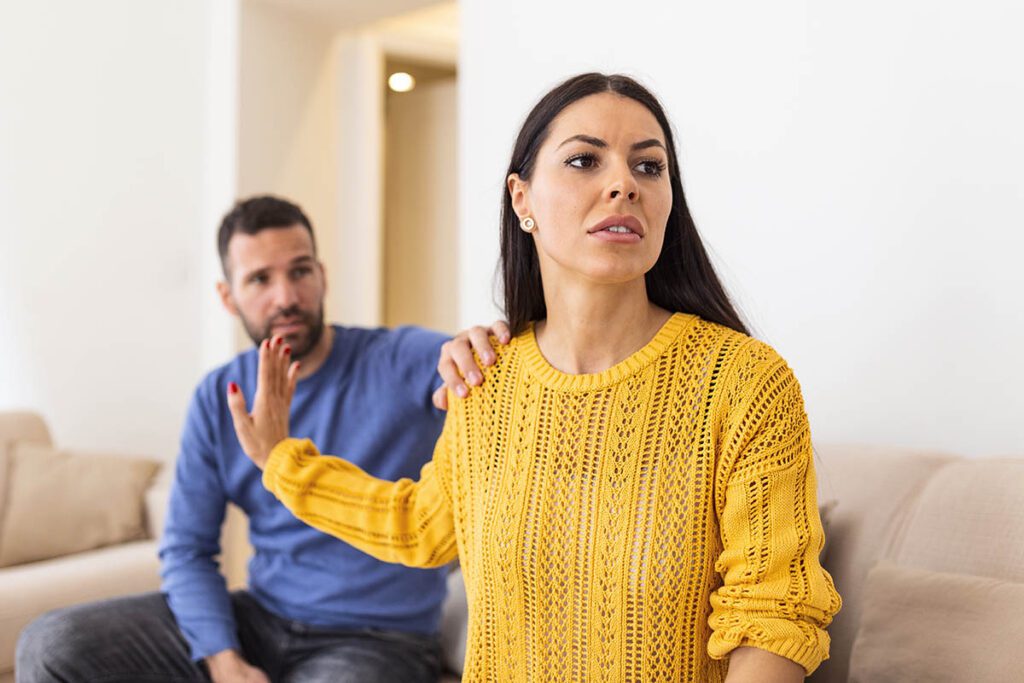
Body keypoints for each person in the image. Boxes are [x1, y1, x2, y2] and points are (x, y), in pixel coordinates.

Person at [229, 74, 843, 683]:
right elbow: (417, 526)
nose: (623, 185)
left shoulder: (744, 383)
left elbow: (775, 613)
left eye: (649, 167)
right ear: (522, 200)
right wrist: (281, 461)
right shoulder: (487, 383)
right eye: (584, 160)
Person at [15, 195, 503, 683]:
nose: (286, 296)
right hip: (262, 617)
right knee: (51, 645)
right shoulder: (219, 397)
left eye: (300, 271)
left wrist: (478, 350)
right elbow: (187, 548)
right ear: (228, 297)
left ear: (322, 276)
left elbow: (477, 373)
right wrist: (222, 659)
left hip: (376, 638)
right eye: (260, 279)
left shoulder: (402, 359)